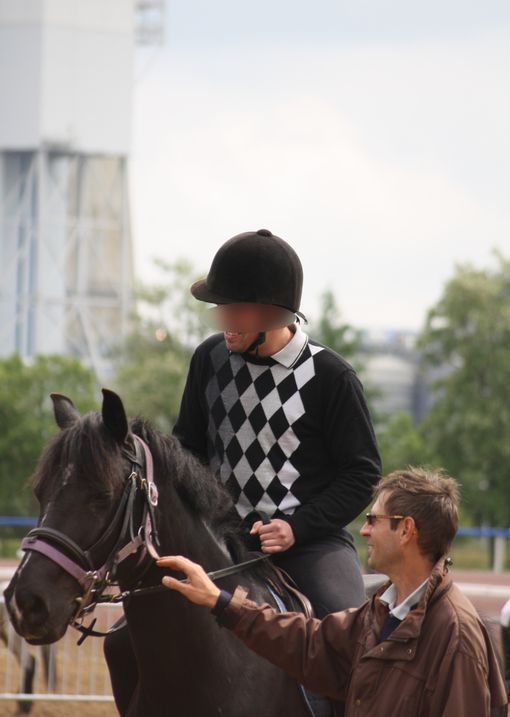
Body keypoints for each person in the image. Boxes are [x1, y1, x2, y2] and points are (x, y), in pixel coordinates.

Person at [158, 467, 508, 717]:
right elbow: (308, 643)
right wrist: (220, 602)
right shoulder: (381, 611)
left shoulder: (456, 634)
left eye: (374, 520)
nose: (366, 531)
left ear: (406, 531)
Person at [173, 228, 382, 619]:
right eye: (221, 308)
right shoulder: (209, 358)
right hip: (217, 538)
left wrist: (297, 529)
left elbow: (362, 474)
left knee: (342, 629)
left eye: (235, 309)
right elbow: (187, 448)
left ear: (272, 313)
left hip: (308, 545)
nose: (224, 320)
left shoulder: (331, 377)